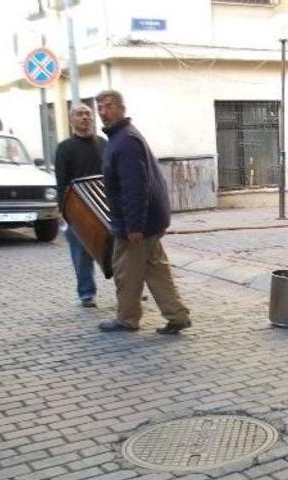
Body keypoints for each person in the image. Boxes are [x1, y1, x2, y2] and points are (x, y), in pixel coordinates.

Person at [95, 90, 191, 334]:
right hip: (149, 220)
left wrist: (134, 226)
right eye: (100, 108)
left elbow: (135, 187)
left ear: (122, 109)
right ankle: (177, 315)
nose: (103, 113)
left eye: (109, 106)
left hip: (136, 224)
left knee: (125, 273)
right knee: (156, 269)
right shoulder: (124, 137)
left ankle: (127, 319)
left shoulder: (125, 141)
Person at [55, 103, 107, 308]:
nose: (85, 117)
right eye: (79, 114)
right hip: (77, 210)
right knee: (81, 252)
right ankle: (87, 293)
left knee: (117, 252)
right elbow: (62, 182)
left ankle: (127, 290)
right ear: (71, 121)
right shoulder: (64, 148)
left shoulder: (103, 143)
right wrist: (64, 211)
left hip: (105, 207)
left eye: (88, 114)